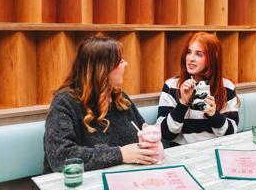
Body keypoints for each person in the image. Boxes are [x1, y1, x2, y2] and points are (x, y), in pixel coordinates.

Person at [44, 36, 157, 173]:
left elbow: (141, 135)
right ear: (103, 69)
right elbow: (60, 156)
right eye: (120, 61)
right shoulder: (64, 102)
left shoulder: (121, 99)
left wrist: (151, 138)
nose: (126, 64)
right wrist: (120, 154)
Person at [157, 32, 240, 147]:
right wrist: (182, 104)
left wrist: (214, 115)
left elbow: (231, 133)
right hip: (182, 154)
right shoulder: (172, 86)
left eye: (199, 54)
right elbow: (165, 134)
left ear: (212, 59)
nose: (190, 59)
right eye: (189, 52)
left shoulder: (226, 87)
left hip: (215, 151)